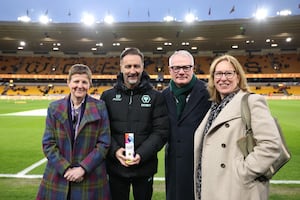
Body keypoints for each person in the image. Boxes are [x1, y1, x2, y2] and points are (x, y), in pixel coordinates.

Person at [194, 54, 282, 200]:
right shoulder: (215, 107)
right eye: (219, 74)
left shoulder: (252, 101)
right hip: (211, 186)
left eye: (229, 73)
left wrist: (242, 173)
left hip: (236, 189)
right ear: (213, 78)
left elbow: (271, 145)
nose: (223, 78)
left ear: (238, 76)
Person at [100, 47, 169, 200]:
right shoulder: (108, 96)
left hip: (144, 167)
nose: (132, 70)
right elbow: (102, 131)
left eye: (136, 66)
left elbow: (161, 131)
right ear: (121, 68)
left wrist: (141, 154)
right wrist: (116, 151)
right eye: (128, 66)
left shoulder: (156, 97)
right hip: (115, 167)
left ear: (142, 67)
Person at [36, 64, 111, 200]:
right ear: (68, 82)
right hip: (59, 176)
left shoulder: (100, 107)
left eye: (84, 82)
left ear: (90, 84)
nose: (80, 86)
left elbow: (104, 143)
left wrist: (83, 168)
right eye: (76, 81)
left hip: (90, 177)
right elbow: (48, 143)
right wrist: (65, 169)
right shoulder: (54, 108)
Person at [162, 50, 211, 200]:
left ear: (193, 68)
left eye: (186, 67)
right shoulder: (164, 96)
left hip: (202, 163)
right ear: (170, 70)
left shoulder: (210, 93)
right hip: (174, 163)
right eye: (176, 68)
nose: (181, 72)